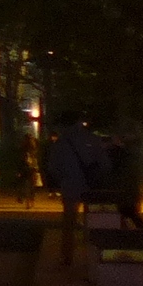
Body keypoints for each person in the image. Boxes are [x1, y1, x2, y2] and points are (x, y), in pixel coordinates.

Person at [42, 110, 108, 262]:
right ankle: (94, 258)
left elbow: (53, 168)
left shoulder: (60, 144)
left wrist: (63, 179)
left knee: (69, 223)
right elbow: (105, 165)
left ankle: (67, 256)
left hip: (70, 186)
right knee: (94, 221)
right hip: (92, 186)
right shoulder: (93, 139)